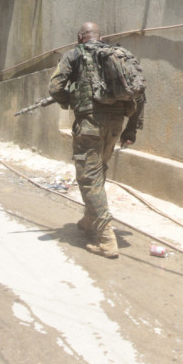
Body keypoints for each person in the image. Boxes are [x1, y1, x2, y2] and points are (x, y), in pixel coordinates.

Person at [48, 22, 144, 258]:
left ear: (80, 37)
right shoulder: (120, 56)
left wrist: (71, 98)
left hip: (89, 124)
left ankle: (106, 238)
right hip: (115, 125)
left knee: (89, 177)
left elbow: (55, 87)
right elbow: (140, 93)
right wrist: (131, 129)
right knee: (97, 171)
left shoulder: (74, 55)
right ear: (100, 37)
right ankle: (90, 220)